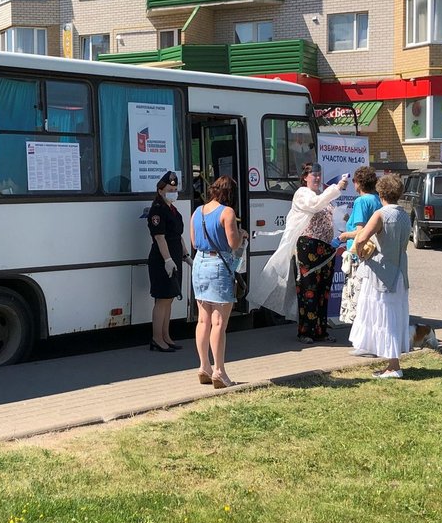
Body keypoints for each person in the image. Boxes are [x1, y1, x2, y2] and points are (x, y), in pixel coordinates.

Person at [248, 163, 349, 343]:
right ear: (305, 177)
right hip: (308, 248)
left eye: (319, 175)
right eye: (313, 175)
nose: (317, 178)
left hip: (326, 248)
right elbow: (314, 205)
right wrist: (336, 188)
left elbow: (329, 212)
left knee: (322, 291)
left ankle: (321, 330)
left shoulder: (322, 195)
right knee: (308, 290)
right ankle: (306, 331)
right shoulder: (302, 194)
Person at [349, 174, 412, 378]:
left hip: (381, 272)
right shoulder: (404, 214)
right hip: (400, 271)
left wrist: (359, 251)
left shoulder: (380, 214)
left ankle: (394, 366)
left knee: (384, 317)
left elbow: (361, 237)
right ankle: (392, 363)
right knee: (394, 316)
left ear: (381, 192)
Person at [190, 175, 246, 388]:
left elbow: (195, 242)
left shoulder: (198, 211)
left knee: (202, 320)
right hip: (218, 266)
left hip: (199, 265)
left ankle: (203, 366)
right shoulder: (227, 212)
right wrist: (242, 235)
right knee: (219, 323)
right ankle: (219, 371)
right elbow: (233, 244)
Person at [146, 170, 191, 352]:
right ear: (160, 190)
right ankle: (157, 339)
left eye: (175, 188)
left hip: (174, 259)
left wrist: (186, 256)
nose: (173, 191)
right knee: (162, 300)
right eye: (170, 189)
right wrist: (167, 260)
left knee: (170, 298)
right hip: (162, 260)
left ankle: (166, 336)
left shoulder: (173, 209)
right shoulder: (157, 210)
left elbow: (177, 236)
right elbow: (160, 238)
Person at [337, 166, 382, 330]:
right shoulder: (377, 199)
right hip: (374, 254)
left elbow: (360, 231)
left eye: (354, 181)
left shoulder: (361, 201)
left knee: (357, 298)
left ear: (358, 183)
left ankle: (360, 334)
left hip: (359, 255)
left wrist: (343, 236)